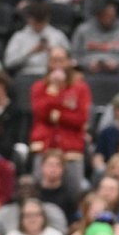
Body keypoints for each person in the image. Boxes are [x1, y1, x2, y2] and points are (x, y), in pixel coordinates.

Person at [30, 48, 90, 189]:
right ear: (48, 63)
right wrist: (53, 91)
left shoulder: (80, 88)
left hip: (71, 148)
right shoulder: (39, 87)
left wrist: (57, 115)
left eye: (61, 60)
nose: (57, 65)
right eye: (53, 60)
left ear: (69, 62)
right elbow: (40, 113)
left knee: (74, 192)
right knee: (39, 190)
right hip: (44, 146)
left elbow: (80, 119)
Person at [71, 1, 119, 74]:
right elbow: (74, 56)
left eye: (109, 14)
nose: (106, 17)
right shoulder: (83, 30)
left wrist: (118, 62)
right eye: (103, 14)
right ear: (98, 14)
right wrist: (87, 63)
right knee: (72, 64)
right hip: (89, 67)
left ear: (115, 13)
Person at [4, 1, 68, 77]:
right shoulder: (19, 37)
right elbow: (8, 63)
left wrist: (52, 52)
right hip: (26, 74)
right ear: (29, 19)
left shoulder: (58, 35)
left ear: (47, 19)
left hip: (53, 75)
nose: (38, 26)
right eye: (35, 22)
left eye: (41, 22)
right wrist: (31, 52)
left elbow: (69, 60)